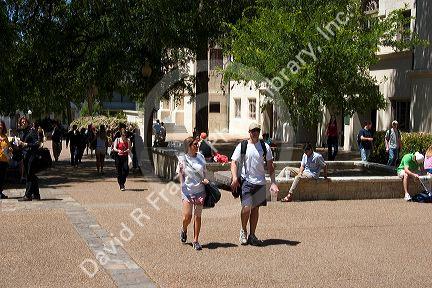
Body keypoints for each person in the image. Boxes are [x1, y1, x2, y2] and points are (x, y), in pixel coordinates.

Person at [230, 122, 279, 246]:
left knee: (255, 209)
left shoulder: (264, 146)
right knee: (246, 207)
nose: (255, 132)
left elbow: (270, 165)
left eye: (257, 130)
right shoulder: (243, 145)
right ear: (249, 132)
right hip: (246, 181)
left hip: (260, 182)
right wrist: (235, 177)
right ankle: (243, 230)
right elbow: (234, 162)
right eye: (253, 130)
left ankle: (252, 235)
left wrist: (273, 182)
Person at [177, 136, 209, 250]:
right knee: (187, 217)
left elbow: (204, 171)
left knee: (198, 216)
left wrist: (206, 179)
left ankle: (196, 240)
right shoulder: (183, 159)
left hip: (200, 190)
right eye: (195, 144)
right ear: (189, 146)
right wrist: (182, 185)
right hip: (188, 191)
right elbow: (180, 174)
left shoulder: (201, 156)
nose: (197, 146)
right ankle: (184, 229)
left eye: (197, 144)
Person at [18, 117, 41, 201]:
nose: (23, 123)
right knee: (31, 175)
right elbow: (22, 144)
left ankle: (28, 195)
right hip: (25, 155)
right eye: (22, 122)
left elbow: (36, 144)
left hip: (31, 156)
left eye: (24, 122)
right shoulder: (22, 132)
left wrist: (26, 144)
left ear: (27, 122)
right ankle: (36, 195)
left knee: (29, 175)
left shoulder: (31, 131)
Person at [0, 121, 12, 199]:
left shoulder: (5, 136)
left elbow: (9, 147)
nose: (0, 127)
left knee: (2, 177)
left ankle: (0, 192)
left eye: (1, 125)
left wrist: (10, 149)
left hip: (4, 160)